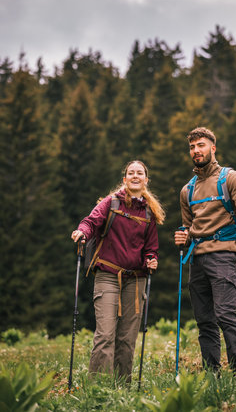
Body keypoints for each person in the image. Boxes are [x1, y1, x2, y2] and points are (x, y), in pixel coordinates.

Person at [174, 127, 236, 376]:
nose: (196, 151)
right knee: (204, 321)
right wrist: (182, 238)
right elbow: (188, 227)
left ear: (213, 147)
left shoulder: (231, 178)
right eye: (192, 147)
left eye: (201, 145)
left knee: (225, 314)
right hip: (196, 259)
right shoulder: (187, 190)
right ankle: (212, 373)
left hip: (224, 255)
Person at [71, 160, 165, 382]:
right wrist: (82, 232)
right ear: (124, 179)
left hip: (136, 280)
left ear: (145, 180)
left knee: (127, 338)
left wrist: (152, 259)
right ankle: (98, 388)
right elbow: (91, 222)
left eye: (139, 173)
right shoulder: (111, 203)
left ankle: (122, 390)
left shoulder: (149, 212)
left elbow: (151, 248)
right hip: (107, 276)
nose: (135, 176)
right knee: (105, 335)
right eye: (131, 173)